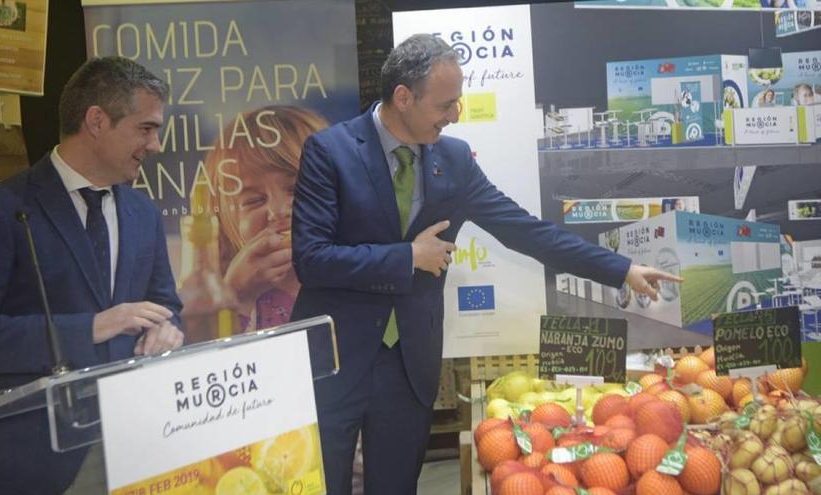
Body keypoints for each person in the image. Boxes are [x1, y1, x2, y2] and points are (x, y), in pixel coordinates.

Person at [290, 34, 681, 495]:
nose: (455, 114)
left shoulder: (453, 161)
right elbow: (311, 259)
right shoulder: (330, 152)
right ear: (403, 97)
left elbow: (525, 230)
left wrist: (620, 268)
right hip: (336, 357)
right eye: (446, 103)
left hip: (407, 362)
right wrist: (408, 257)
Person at [0, 56, 183, 494]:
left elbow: (165, 304)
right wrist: (90, 328)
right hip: (20, 465)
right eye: (146, 128)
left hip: (133, 453)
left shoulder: (142, 212)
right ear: (96, 121)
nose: (157, 144)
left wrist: (166, 329)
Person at [205, 106, 327, 332]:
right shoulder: (222, 295)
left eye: (295, 188)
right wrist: (238, 297)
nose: (278, 211)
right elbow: (215, 360)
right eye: (254, 200)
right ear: (227, 222)